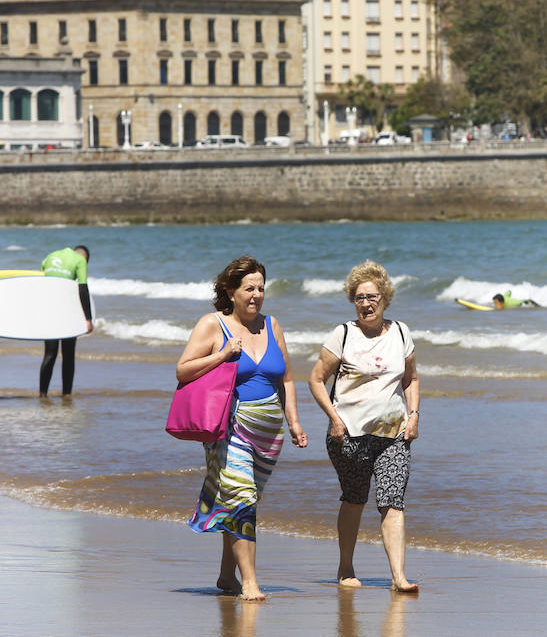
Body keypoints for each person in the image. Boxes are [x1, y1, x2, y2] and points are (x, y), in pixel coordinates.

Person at [177, 255, 307, 601]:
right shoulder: (212, 324)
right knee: (241, 498)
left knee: (241, 502)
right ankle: (249, 581)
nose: (257, 295)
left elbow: (289, 379)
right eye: (249, 288)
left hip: (270, 433)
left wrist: (294, 422)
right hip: (230, 426)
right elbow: (183, 370)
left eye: (262, 288)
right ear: (230, 291)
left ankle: (224, 575)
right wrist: (223, 355)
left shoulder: (272, 325)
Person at [308, 260, 420, 593]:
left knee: (392, 501)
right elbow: (315, 379)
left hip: (393, 434)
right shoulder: (343, 334)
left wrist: (414, 414)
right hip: (349, 436)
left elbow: (411, 378)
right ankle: (345, 567)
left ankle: (399, 576)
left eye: (372, 296)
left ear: (385, 298)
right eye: (359, 297)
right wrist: (334, 417)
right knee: (355, 499)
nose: (365, 303)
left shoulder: (401, 332)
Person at [39, 245, 94, 397]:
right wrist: (88, 318)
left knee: (49, 353)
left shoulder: (50, 255)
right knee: (68, 355)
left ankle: (42, 394)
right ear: (85, 258)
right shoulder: (80, 260)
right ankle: (66, 394)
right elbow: (82, 288)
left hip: (48, 310)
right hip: (68, 312)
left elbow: (41, 282)